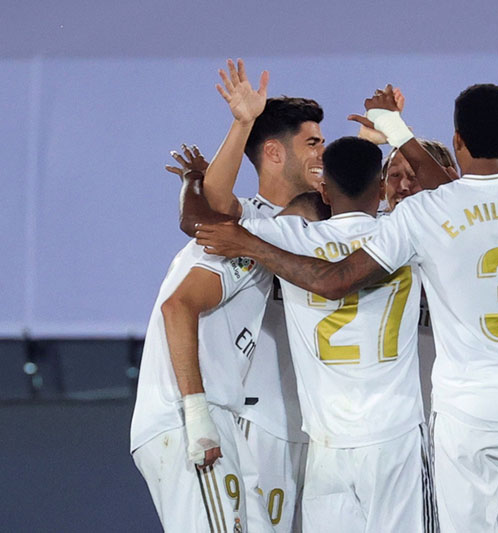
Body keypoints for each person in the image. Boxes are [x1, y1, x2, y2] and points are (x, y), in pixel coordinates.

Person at [194, 83, 498, 532]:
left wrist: (247, 241)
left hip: (457, 415)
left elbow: (335, 279)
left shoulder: (422, 214)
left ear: (457, 140)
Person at [182, 136, 435, 532]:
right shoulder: (405, 233)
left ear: (325, 190)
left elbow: (196, 222)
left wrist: (194, 180)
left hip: (326, 446)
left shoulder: (291, 236)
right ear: (381, 188)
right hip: (395, 440)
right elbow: (455, 200)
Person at [175, 58, 326, 532]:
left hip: (323, 425)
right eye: (313, 143)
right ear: (275, 153)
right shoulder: (251, 221)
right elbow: (213, 205)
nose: (323, 154)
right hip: (264, 422)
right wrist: (242, 123)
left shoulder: (330, 216)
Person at [130, 145, 274, 532]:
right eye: (313, 143)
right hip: (191, 415)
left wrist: (194, 179)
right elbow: (177, 307)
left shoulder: (252, 236)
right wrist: (196, 415)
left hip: (221, 414)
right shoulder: (238, 241)